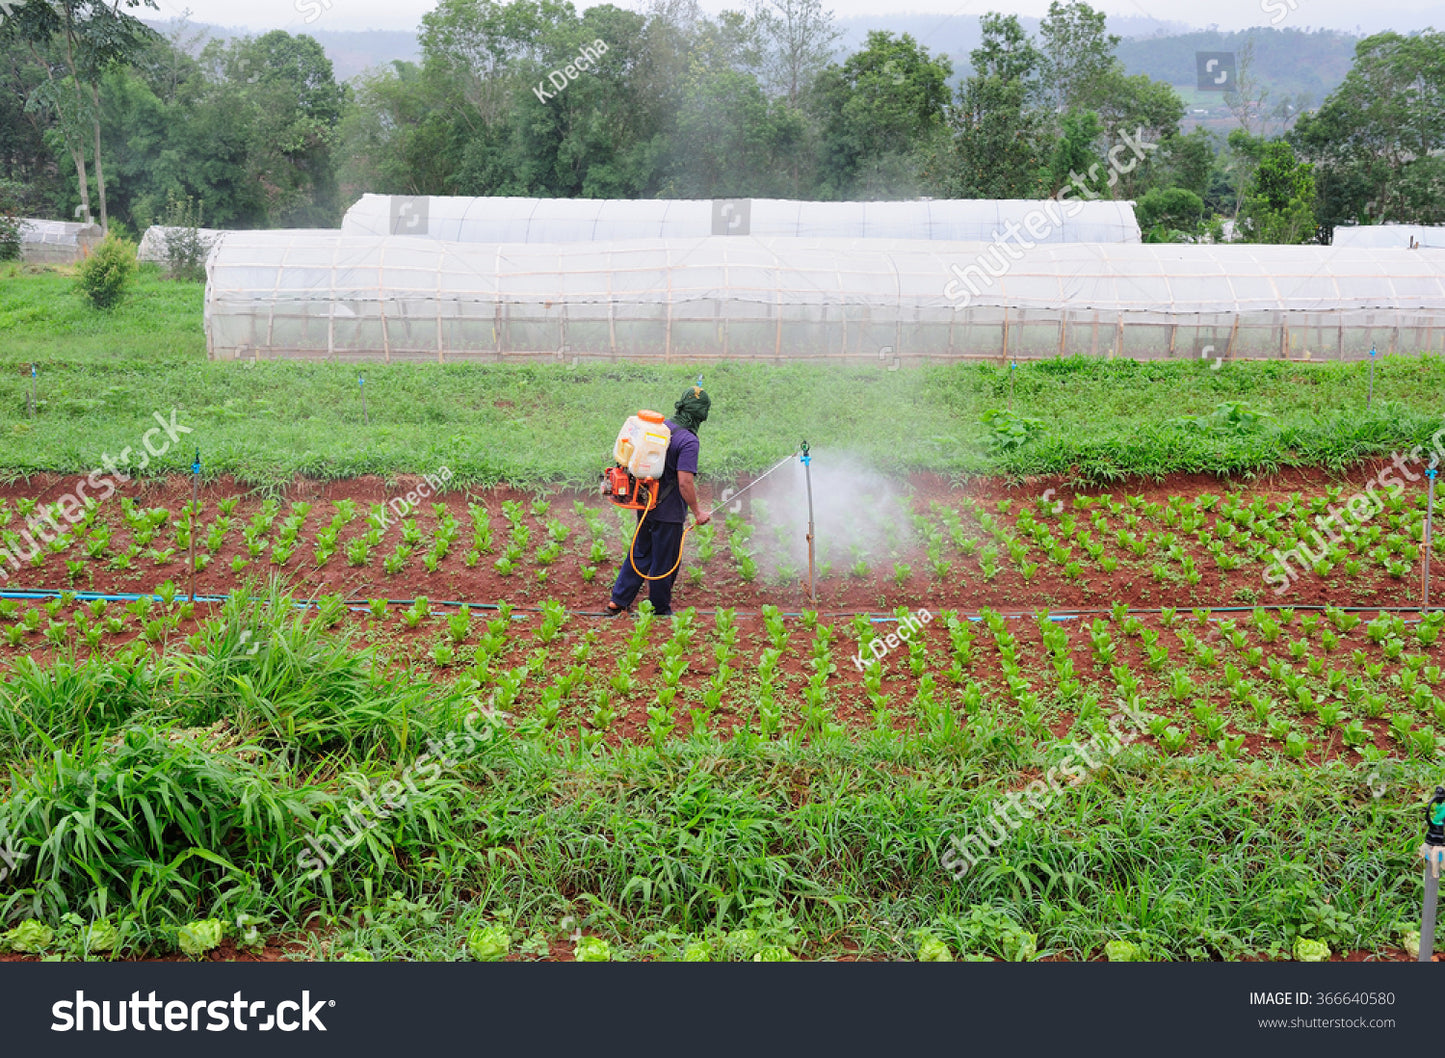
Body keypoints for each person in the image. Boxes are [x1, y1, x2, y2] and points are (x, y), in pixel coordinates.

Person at [606, 385, 713, 616]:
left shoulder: (663, 428)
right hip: (670, 511)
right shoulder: (689, 441)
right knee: (666, 561)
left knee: (640, 553)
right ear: (701, 414)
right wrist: (697, 512)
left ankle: (618, 600)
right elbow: (684, 481)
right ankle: (659, 608)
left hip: (646, 503)